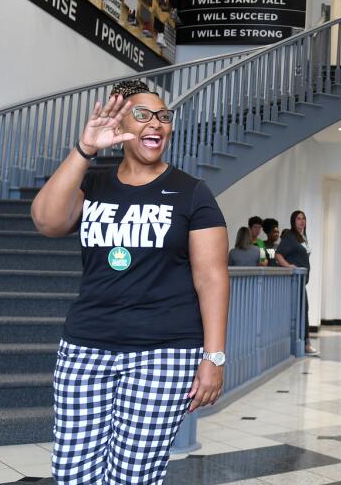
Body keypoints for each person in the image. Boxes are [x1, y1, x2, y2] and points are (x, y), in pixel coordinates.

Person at [30, 79, 228, 484]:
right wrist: (85, 150)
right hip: (86, 348)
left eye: (164, 116)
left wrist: (214, 358)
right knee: (72, 472)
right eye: (143, 114)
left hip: (164, 353)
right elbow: (47, 221)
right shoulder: (93, 184)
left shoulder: (192, 193)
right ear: (121, 123)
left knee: (134, 475)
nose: (157, 123)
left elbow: (211, 277)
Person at [276, 210, 318, 355]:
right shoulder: (290, 236)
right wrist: (288, 266)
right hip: (295, 281)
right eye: (298, 219)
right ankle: (305, 343)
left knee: (303, 309)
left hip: (302, 281)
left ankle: (304, 341)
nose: (302, 221)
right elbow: (278, 254)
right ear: (293, 221)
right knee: (302, 310)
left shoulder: (302, 237)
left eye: (304, 219)